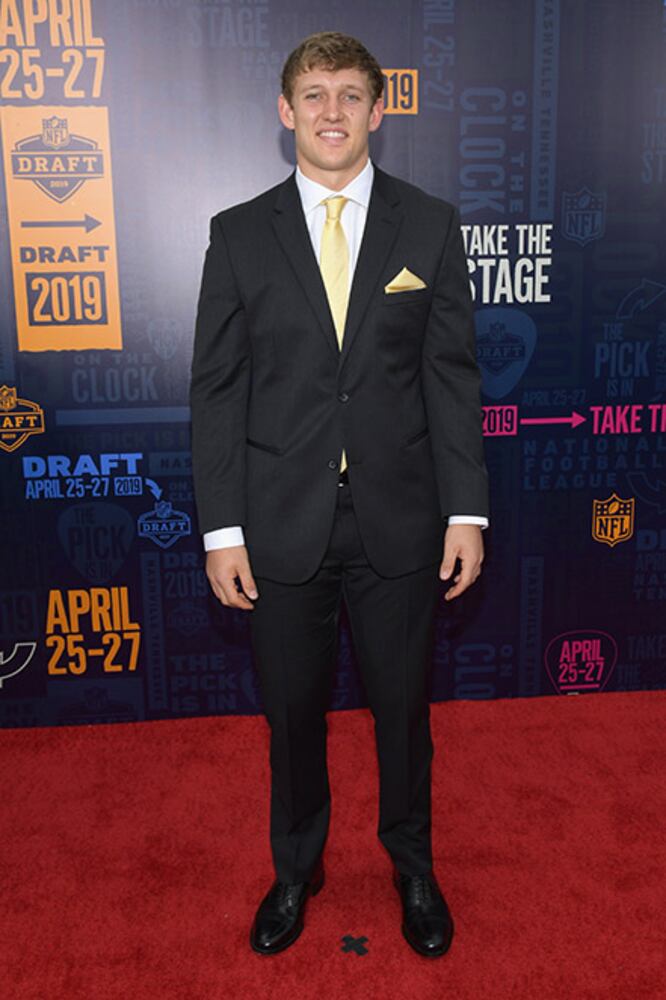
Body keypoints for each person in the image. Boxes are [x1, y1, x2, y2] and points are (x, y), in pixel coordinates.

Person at [190, 31, 489, 959]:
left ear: (377, 110)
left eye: (351, 95)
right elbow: (218, 390)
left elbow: (451, 378)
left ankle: (413, 867)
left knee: (403, 713)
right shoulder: (238, 233)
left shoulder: (429, 225)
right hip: (280, 520)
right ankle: (295, 871)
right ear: (286, 111)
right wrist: (222, 529)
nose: (332, 111)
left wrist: (467, 511)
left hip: (401, 518)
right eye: (314, 94)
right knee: (291, 715)